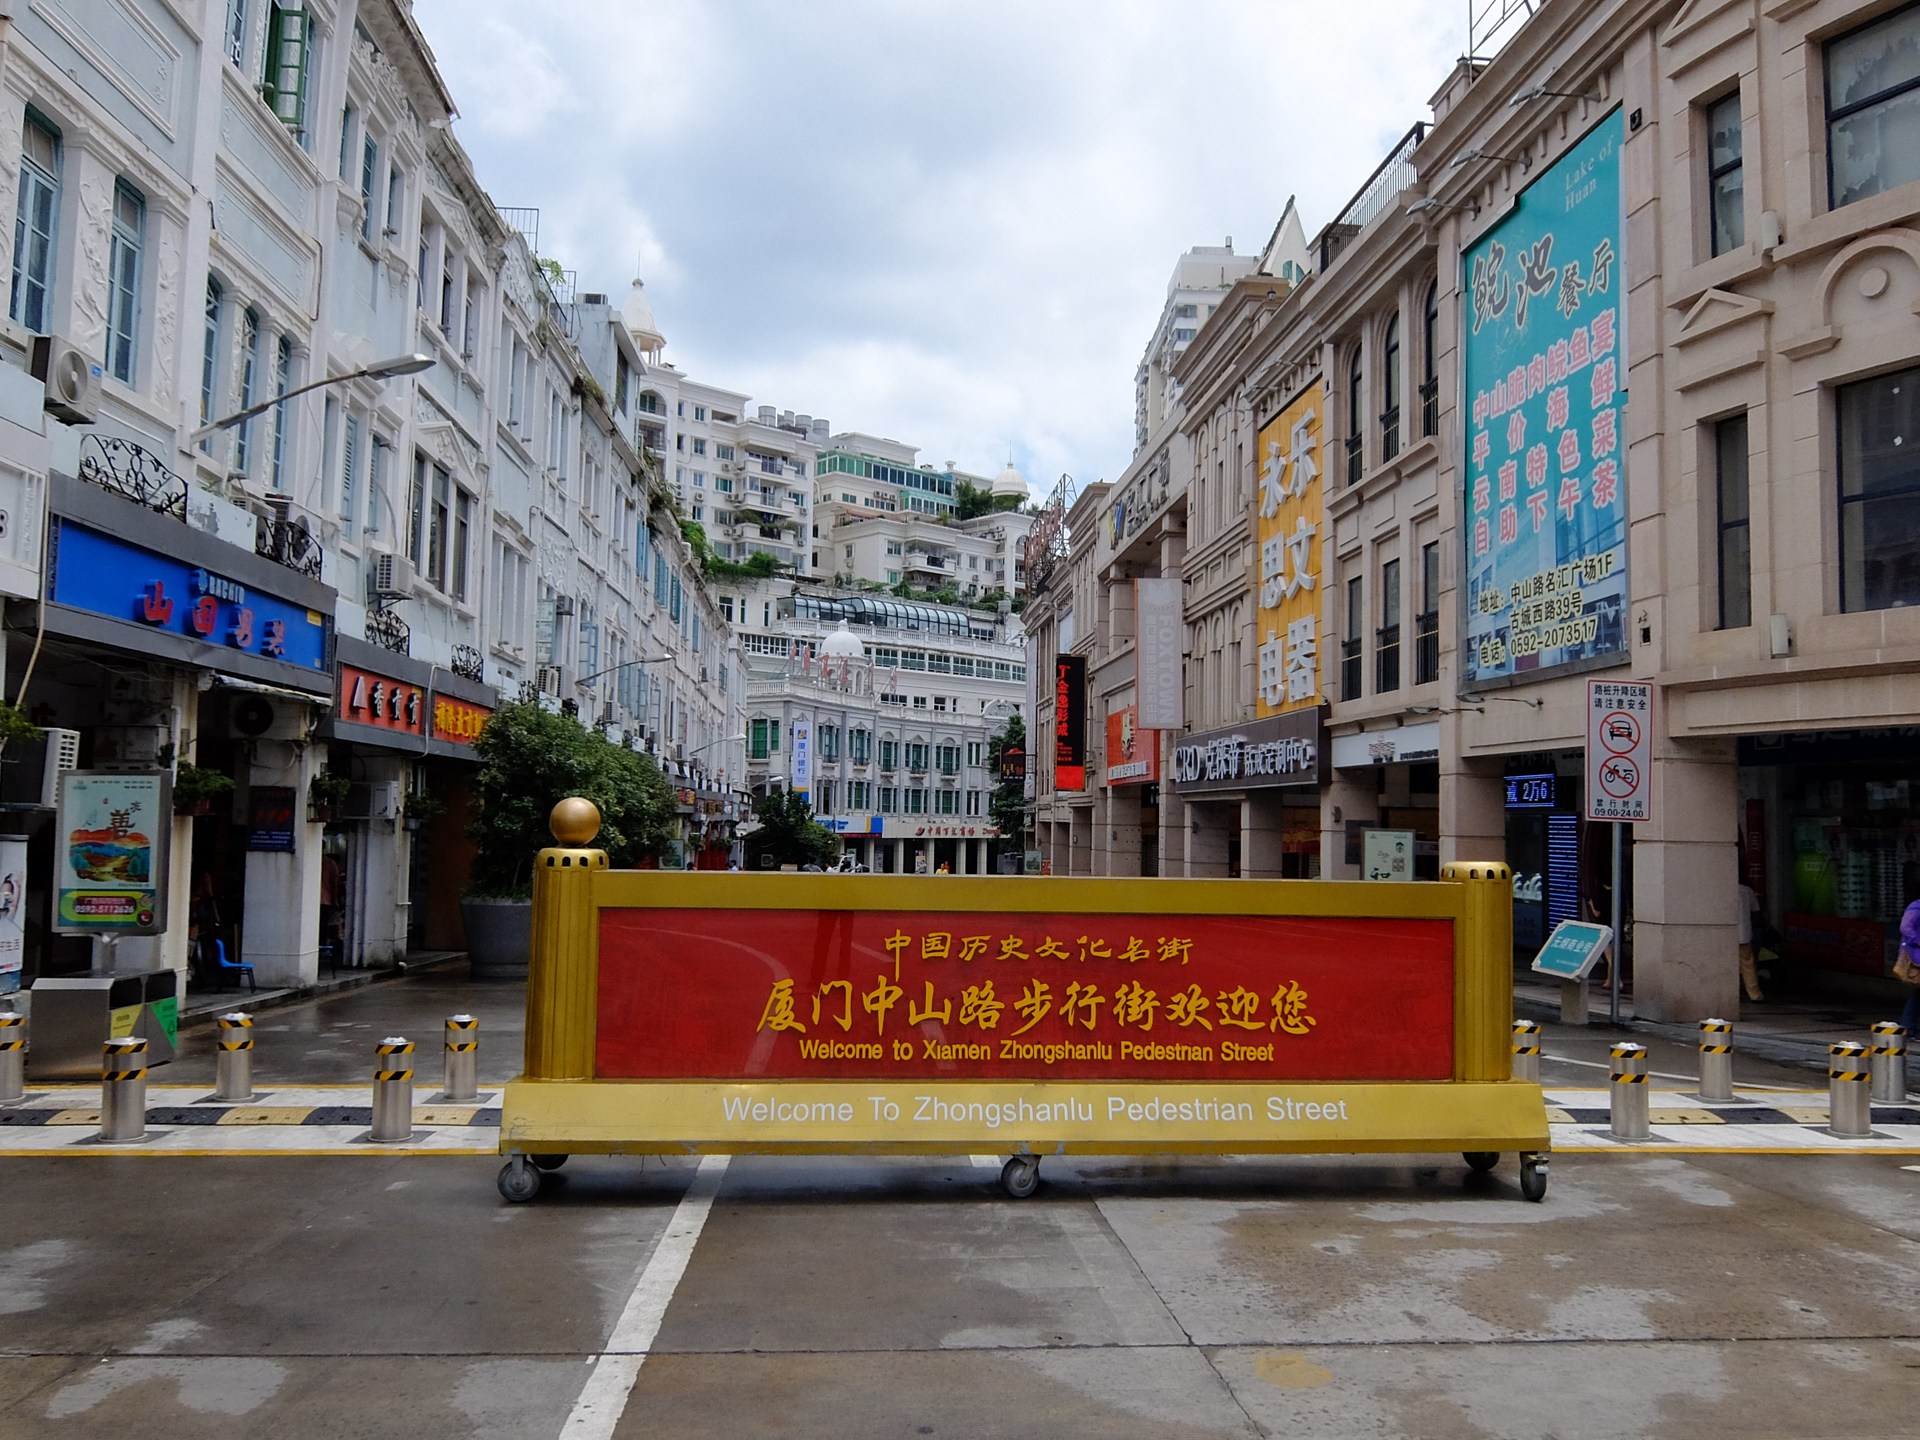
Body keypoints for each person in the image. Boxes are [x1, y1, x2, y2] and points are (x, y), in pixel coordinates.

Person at [1737, 876, 1763, 1002]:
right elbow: (1756, 911)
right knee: (1748, 965)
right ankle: (1755, 995)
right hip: (1744, 934)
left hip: (1724, 935)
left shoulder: (1723, 889)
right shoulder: (1747, 890)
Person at [1900, 895, 1920, 1041]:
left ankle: (1909, 1028)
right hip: (1917, 958)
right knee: (1917, 995)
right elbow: (1905, 927)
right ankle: (1908, 1028)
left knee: (1917, 996)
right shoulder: (1917, 906)